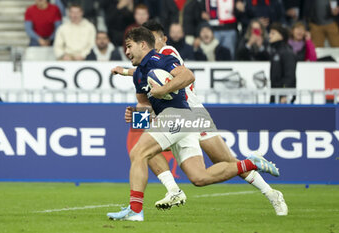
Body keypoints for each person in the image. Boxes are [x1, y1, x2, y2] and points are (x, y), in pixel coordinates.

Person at [106, 26, 282, 221]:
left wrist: (162, 89)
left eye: (129, 46)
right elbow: (147, 105)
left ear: (143, 44)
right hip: (175, 118)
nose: (126, 51)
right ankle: (251, 162)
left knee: (139, 152)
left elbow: (188, 76)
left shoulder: (164, 57)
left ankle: (136, 209)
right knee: (199, 177)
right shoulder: (139, 74)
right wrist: (135, 114)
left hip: (182, 114)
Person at [269, 23, 297, 103]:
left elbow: (290, 76)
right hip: (275, 94)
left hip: (282, 96)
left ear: (281, 36)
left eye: (273, 33)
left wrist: (284, 95)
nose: (270, 36)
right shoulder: (276, 52)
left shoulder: (287, 53)